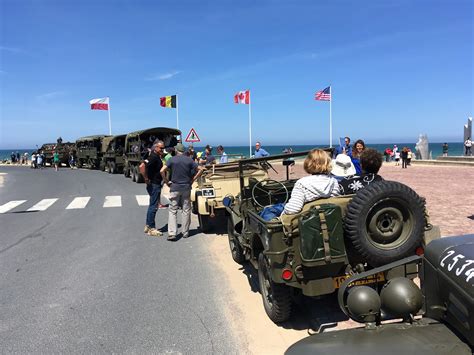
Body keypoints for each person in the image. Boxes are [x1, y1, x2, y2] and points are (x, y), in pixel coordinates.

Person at [161, 143, 203, 240]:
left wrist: (167, 182)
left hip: (175, 187)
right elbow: (200, 169)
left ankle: (172, 233)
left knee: (173, 210)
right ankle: (185, 232)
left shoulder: (172, 159)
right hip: (186, 187)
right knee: (186, 210)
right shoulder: (189, 160)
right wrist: (193, 180)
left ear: (176, 150)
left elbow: (162, 170)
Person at [282, 149, 340, 215]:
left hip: (308, 219)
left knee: (273, 209)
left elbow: (292, 210)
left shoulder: (301, 184)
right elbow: (335, 202)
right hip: (328, 218)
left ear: (308, 163)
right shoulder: (333, 181)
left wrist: (284, 210)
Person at [143, 141, 166, 237]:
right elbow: (142, 166)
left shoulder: (154, 156)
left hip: (154, 184)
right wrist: (146, 179)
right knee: (154, 206)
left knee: (152, 205)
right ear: (155, 148)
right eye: (161, 148)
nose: (162, 150)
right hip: (154, 184)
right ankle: (151, 228)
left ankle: (148, 225)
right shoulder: (153, 157)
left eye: (163, 148)